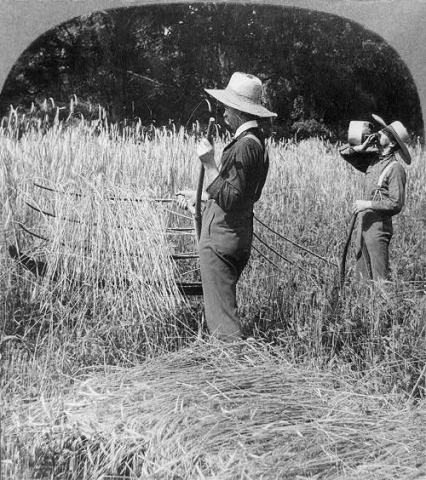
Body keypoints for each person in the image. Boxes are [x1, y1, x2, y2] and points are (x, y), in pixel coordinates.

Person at [177, 72, 276, 342]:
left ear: (240, 111)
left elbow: (231, 198)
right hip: (236, 233)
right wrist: (202, 197)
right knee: (223, 312)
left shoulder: (244, 146)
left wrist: (209, 163)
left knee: (222, 324)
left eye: (227, 108)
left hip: (221, 238)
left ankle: (235, 374)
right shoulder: (257, 143)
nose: (223, 114)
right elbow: (240, 195)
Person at [339, 114, 411, 281]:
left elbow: (396, 203)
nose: (379, 133)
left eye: (385, 132)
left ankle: (382, 307)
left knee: (380, 281)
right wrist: (360, 147)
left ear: (392, 143)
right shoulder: (373, 161)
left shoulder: (396, 169)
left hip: (378, 229)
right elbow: (344, 152)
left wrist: (367, 204)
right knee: (361, 279)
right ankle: (364, 307)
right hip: (363, 224)